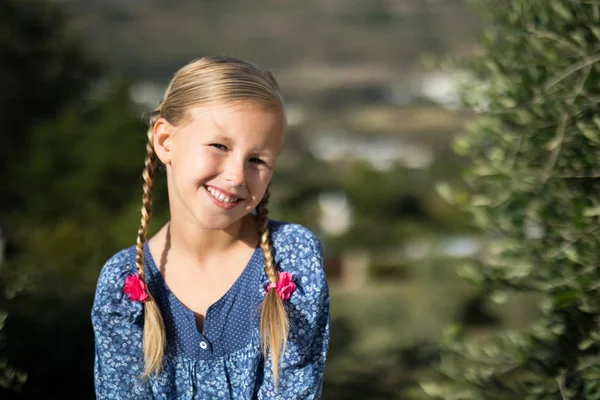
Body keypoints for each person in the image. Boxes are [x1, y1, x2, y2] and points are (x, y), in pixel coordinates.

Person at [91, 56, 330, 399]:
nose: (236, 176)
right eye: (219, 146)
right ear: (164, 141)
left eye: (257, 160)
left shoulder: (291, 258)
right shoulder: (121, 283)